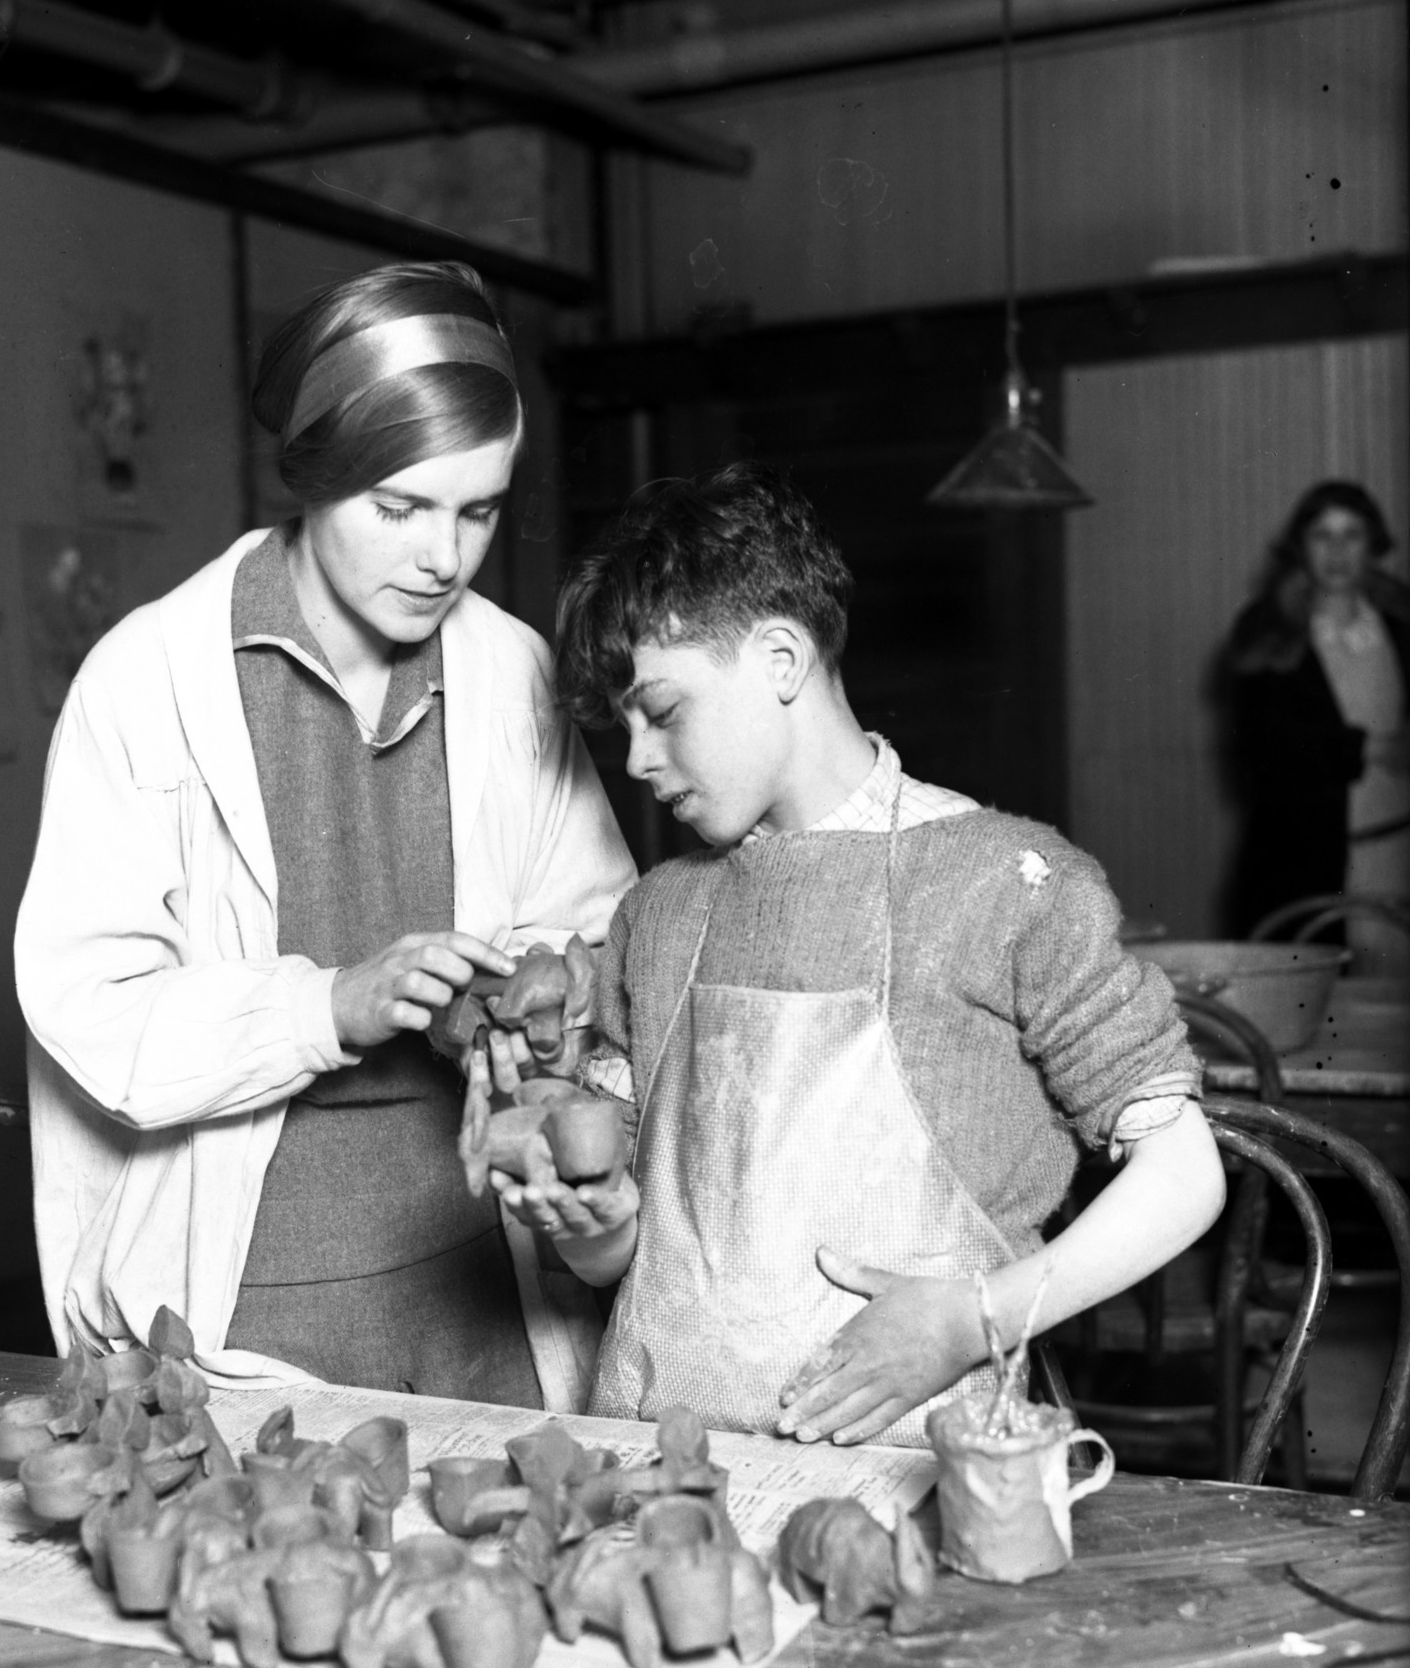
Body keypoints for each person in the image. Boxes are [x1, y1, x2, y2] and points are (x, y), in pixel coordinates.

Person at [492, 462, 1226, 1446]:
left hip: (903, 1467)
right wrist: (590, 1226)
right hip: (654, 1461)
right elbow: (626, 1253)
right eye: (620, 724)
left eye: (661, 712)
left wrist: (974, 1318)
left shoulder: (1008, 880)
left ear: (782, 658)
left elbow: (1185, 1173)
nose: (632, 759)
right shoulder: (656, 914)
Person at [16, 261, 635, 1408]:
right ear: (313, 476)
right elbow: (91, 1011)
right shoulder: (146, 680)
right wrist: (328, 1005)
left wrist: (547, 979)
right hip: (247, 1321)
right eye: (399, 508)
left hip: (481, 1309)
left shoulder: (511, 674)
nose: (443, 557)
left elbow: (603, 930)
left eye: (478, 510)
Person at [1219, 480, 1409, 970]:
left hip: (1393, 853)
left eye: (1352, 535)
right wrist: (1360, 749)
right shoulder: (1265, 635)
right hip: (1303, 864)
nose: (1338, 551)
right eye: (1323, 535)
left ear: (1374, 545)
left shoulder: (1399, 625)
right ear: (1300, 547)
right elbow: (1259, 749)